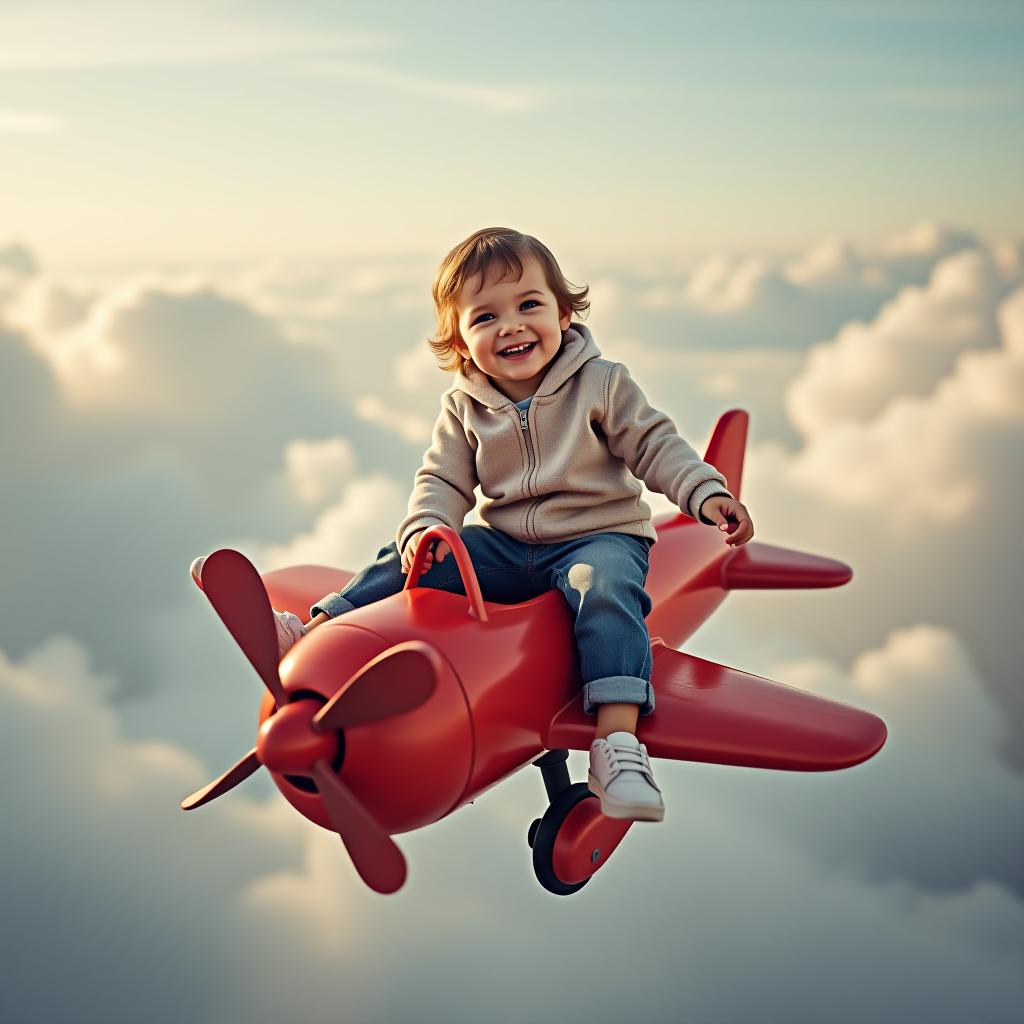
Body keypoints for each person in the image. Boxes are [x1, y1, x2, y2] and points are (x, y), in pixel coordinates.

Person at [273, 227, 754, 822]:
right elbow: (443, 481)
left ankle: (618, 741)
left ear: (564, 311)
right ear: (459, 339)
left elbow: (655, 446)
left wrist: (707, 493)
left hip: (598, 534)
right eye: (486, 316)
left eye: (529, 305)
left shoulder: (602, 382)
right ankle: (314, 629)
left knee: (601, 589)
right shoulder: (463, 405)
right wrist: (427, 531)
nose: (512, 325)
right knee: (413, 559)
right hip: (508, 544)